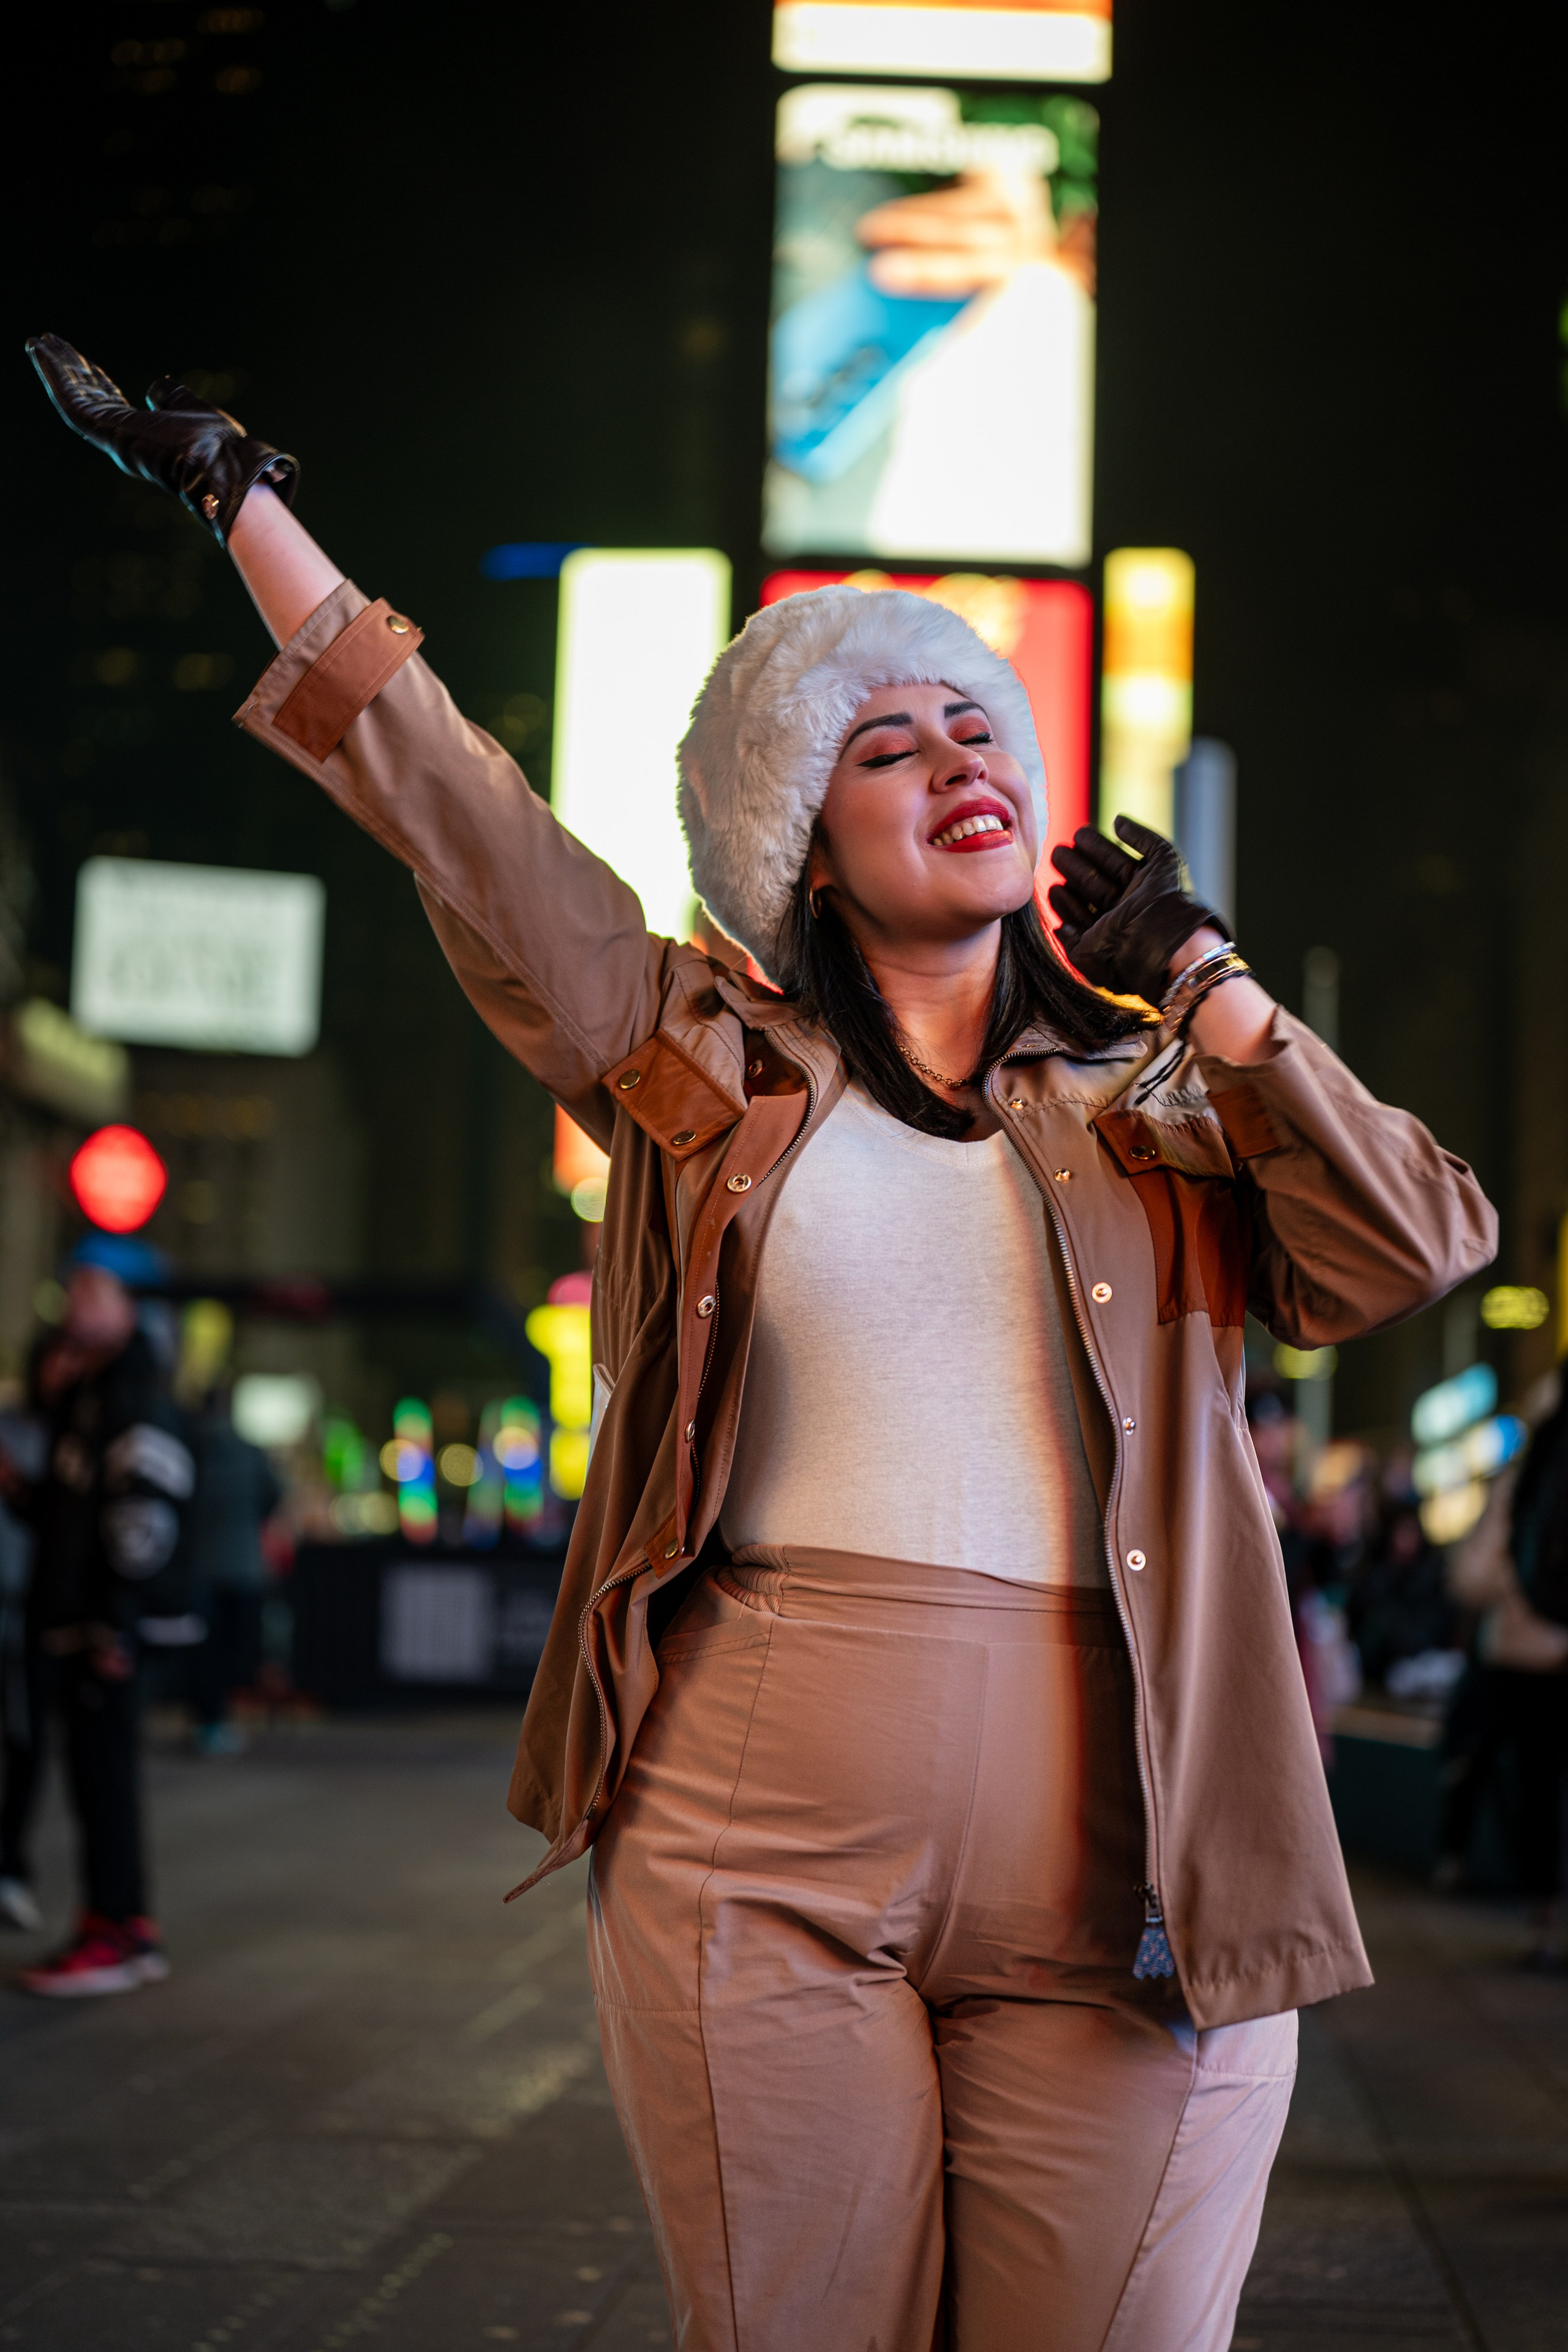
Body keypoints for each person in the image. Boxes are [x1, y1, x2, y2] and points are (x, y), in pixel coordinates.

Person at [25, 337, 1498, 2347]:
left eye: (980, 730)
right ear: (801, 836)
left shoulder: (1162, 1101)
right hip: (763, 1815)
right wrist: (245, 506)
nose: (961, 758)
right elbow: (456, 809)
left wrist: (1215, 984)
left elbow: (1411, 1241)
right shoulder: (696, 1054)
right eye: (888, 747)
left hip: (1143, 1843)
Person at [0, 1232, 195, 1996]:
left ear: (132, 1309)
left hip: (106, 1627)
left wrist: (117, 1621)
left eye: (91, 1289)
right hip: (86, 1620)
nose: (74, 1302)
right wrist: (21, 1489)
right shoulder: (93, 1390)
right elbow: (77, 1511)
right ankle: (106, 1926)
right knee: (90, 1774)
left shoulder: (132, 1396)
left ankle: (121, 1932)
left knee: (105, 1777)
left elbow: (143, 1523)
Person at [185, 1384, 282, 1756]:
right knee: (232, 1650)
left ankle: (206, 1721)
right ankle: (218, 1720)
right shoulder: (249, 1452)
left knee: (203, 1651)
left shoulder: (192, 1449)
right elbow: (272, 1497)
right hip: (242, 1567)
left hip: (198, 1567)